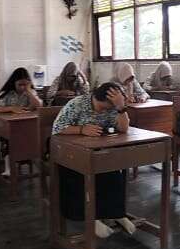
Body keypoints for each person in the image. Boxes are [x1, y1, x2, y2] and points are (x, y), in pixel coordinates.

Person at [52, 82, 135, 239]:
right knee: (78, 174)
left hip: (96, 150)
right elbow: (57, 128)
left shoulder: (114, 107)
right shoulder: (77, 104)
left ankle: (116, 213)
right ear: (101, 99)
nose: (108, 111)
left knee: (113, 171)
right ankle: (90, 218)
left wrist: (121, 108)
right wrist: (81, 129)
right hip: (69, 152)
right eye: (106, 107)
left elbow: (124, 129)